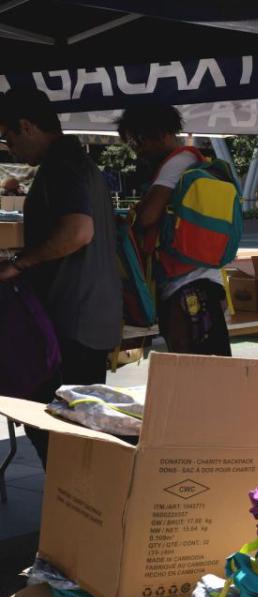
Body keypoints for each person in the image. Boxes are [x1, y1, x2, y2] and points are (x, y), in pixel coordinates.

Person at [0, 88, 120, 466]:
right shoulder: (80, 163)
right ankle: (80, 511)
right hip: (87, 315)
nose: (10, 147)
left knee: (59, 431)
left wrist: (20, 263)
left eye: (9, 137)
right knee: (77, 432)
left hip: (72, 323)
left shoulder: (63, 163)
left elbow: (78, 232)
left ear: (27, 126)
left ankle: (78, 514)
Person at [117, 104, 231, 356]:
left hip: (187, 287)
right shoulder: (192, 161)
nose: (138, 151)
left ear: (160, 134)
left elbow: (147, 217)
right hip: (198, 282)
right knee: (206, 365)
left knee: (192, 365)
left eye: (138, 142)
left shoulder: (176, 164)